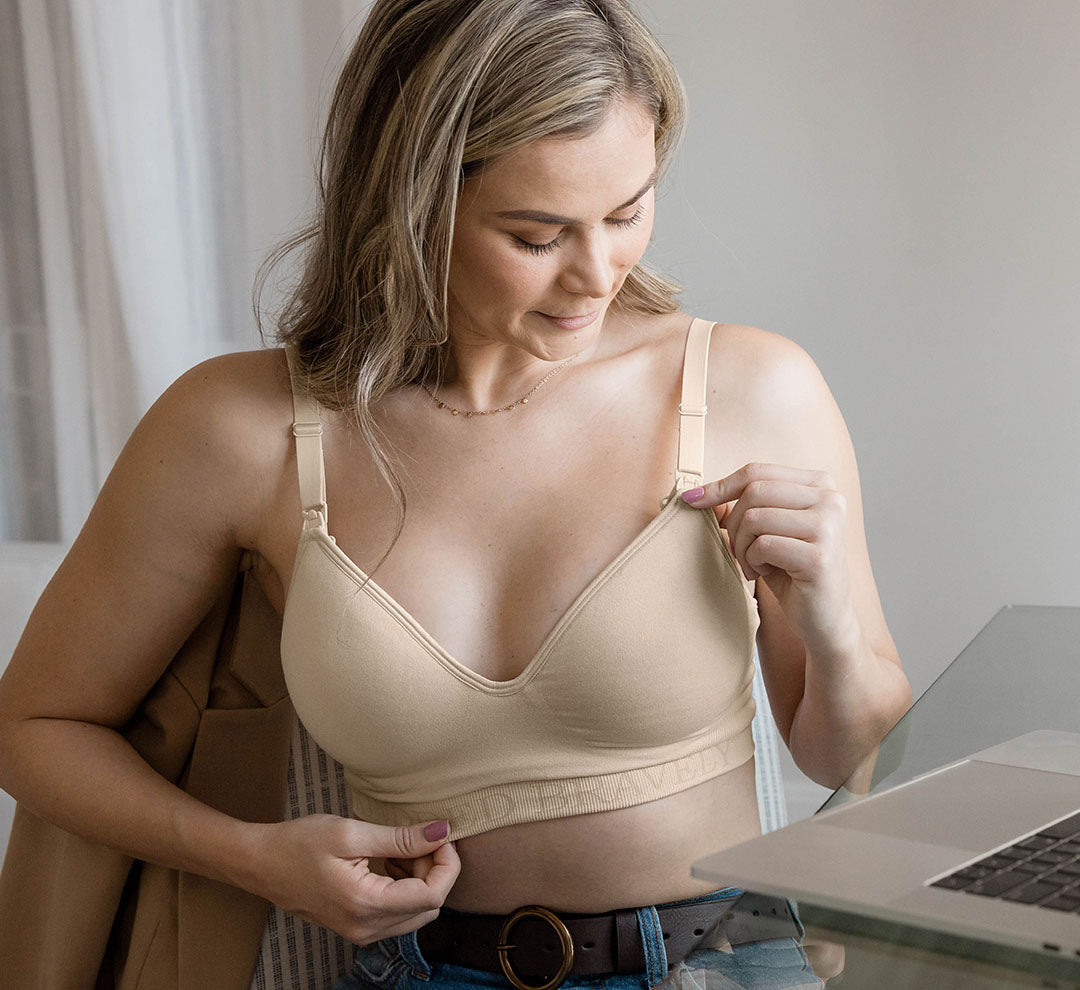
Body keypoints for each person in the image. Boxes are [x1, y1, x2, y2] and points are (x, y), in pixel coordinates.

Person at [0, 0, 912, 988]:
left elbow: (839, 756)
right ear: (410, 203)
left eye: (627, 212)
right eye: (537, 234)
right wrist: (257, 859)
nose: (599, 275)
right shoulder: (242, 430)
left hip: (719, 967)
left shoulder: (749, 387)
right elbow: (35, 728)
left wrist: (825, 624)